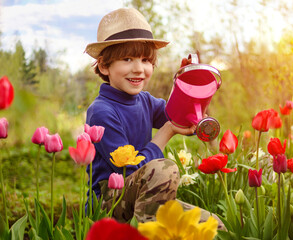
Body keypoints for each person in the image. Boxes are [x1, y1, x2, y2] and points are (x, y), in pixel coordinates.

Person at [84, 7, 224, 228]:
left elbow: (176, 115)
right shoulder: (101, 112)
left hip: (144, 197)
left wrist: (186, 83)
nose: (139, 69)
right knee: (162, 169)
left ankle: (155, 225)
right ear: (104, 65)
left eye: (146, 60)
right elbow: (129, 171)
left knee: (212, 226)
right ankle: (149, 232)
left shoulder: (146, 101)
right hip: (110, 202)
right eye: (127, 59)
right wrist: (166, 132)